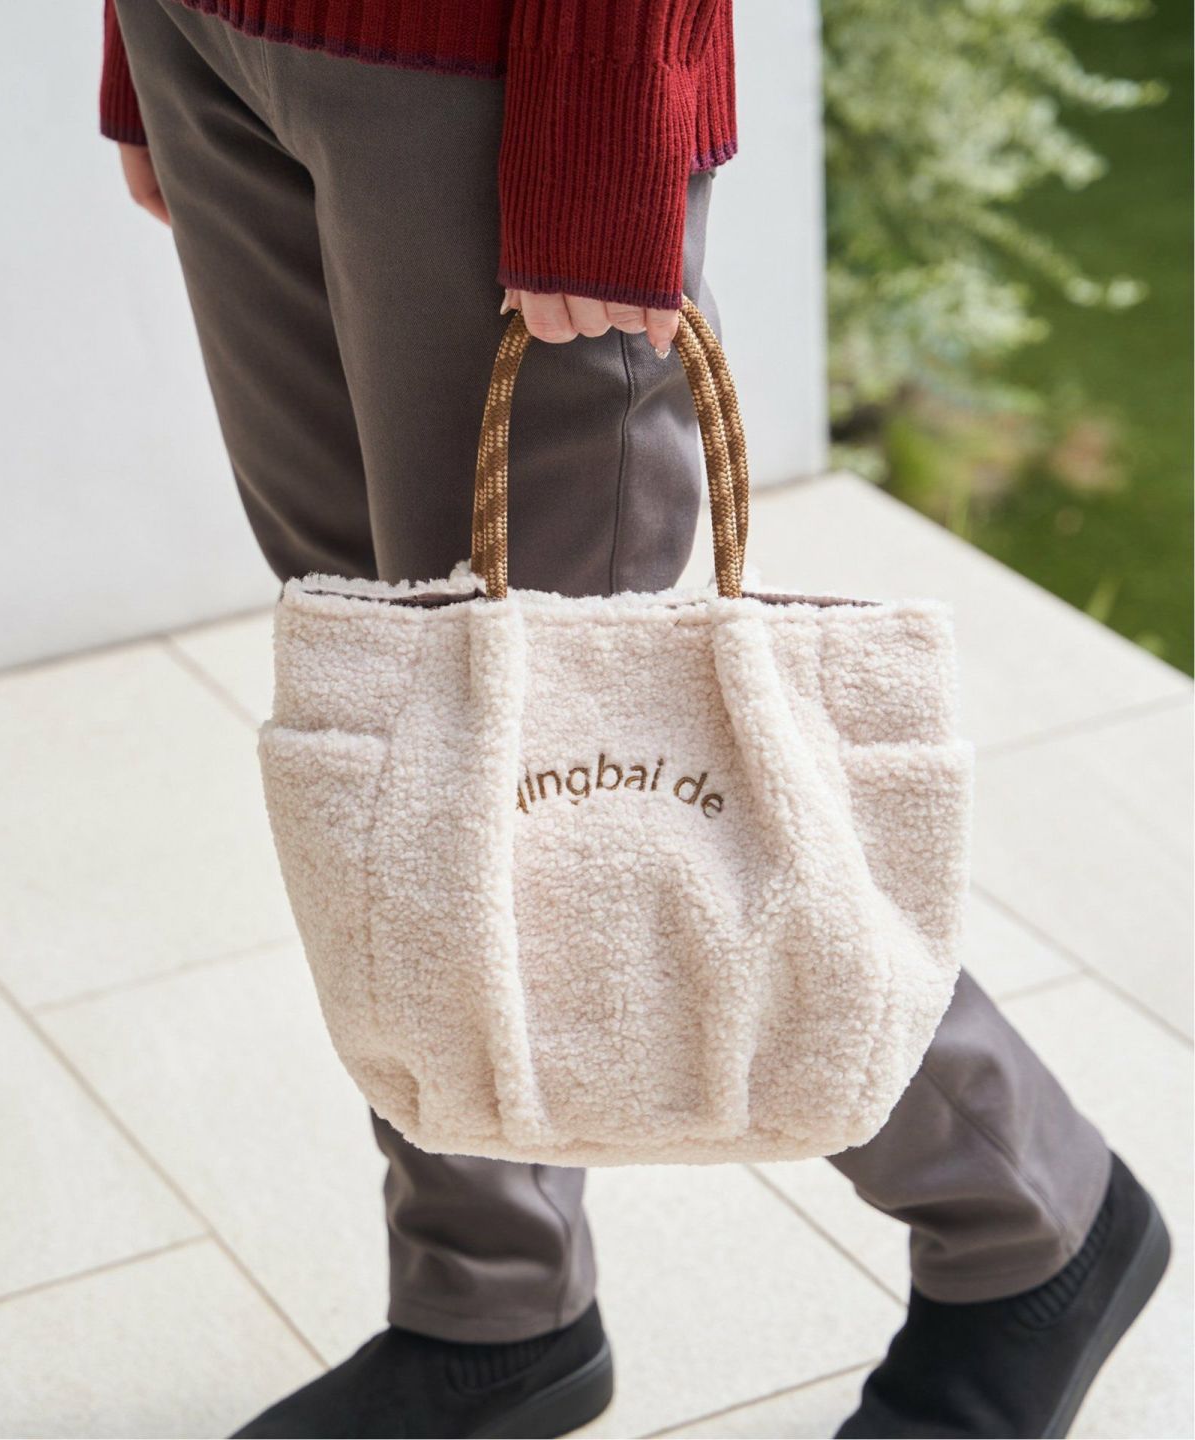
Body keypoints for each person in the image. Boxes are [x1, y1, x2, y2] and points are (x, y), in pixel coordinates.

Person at [102, 4, 1169, 1437]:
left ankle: (1029, 1219)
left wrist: (608, 122)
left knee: (589, 762)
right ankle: (492, 1300)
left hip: (487, 60)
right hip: (215, 35)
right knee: (395, 722)